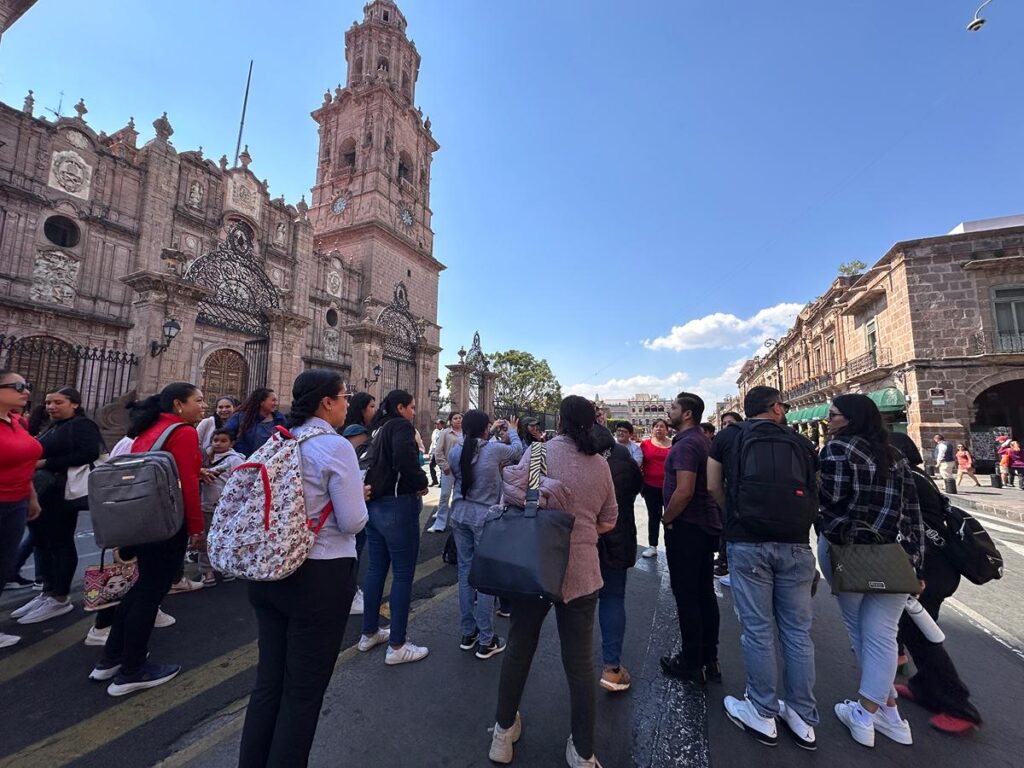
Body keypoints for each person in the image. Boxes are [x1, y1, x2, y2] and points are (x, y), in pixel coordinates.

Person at [238, 370, 368, 768]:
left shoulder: (279, 438)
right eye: (344, 397)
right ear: (326, 402)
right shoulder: (334, 446)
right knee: (302, 695)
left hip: (270, 570)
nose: (348, 403)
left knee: (268, 687)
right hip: (319, 576)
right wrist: (361, 494)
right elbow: (351, 522)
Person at [488, 396, 617, 767]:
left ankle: (502, 732)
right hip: (581, 572)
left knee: (518, 650)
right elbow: (609, 520)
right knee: (579, 664)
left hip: (535, 566)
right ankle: (583, 750)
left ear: (559, 421)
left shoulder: (539, 454)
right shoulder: (600, 466)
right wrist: (580, 528)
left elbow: (519, 504)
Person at [708, 386, 820, 750]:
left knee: (757, 630)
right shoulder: (801, 442)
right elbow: (814, 489)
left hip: (748, 540)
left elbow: (713, 486)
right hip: (796, 542)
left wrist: (734, 515)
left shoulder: (727, 437)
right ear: (775, 408)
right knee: (798, 632)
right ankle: (802, 715)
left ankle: (761, 710)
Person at [818, 394, 925, 748]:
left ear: (848, 419)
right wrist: (915, 561)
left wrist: (830, 530)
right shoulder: (894, 454)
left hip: (850, 552)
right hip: (894, 556)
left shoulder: (837, 450)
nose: (828, 421)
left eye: (832, 416)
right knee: (882, 636)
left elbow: (829, 501)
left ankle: (865, 714)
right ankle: (890, 714)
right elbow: (913, 512)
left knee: (860, 632)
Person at [89, 382, 205, 696]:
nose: (203, 405)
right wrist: (196, 527)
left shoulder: (150, 430)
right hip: (168, 524)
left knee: (140, 587)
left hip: (143, 520)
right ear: (179, 405)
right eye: (198, 400)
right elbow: (187, 485)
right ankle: (132, 670)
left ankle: (111, 658)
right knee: (150, 594)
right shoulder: (183, 432)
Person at [888, 432, 982, 735]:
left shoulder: (909, 480)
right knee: (914, 633)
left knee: (923, 638)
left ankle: (959, 707)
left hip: (930, 567)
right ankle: (924, 687)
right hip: (935, 564)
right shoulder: (917, 476)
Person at [12, 387, 103, 625]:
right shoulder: (53, 426)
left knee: (60, 542)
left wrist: (45, 463)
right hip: (43, 492)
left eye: (58, 402)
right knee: (43, 542)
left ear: (74, 404)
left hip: (62, 493)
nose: (51, 407)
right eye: (49, 402)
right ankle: (47, 591)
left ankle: (60, 597)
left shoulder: (82, 425)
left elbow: (89, 452)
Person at [360, 389, 430, 665]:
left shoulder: (376, 428)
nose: (414, 411)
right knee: (402, 574)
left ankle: (369, 632)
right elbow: (405, 459)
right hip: (398, 505)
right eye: (411, 407)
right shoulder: (400, 426)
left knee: (376, 569)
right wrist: (421, 482)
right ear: (401, 408)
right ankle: (398, 644)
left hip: (374, 505)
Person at [449, 411, 522, 659]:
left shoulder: (457, 451)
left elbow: (473, 448)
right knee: (485, 577)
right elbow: (518, 450)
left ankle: (468, 633)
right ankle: (486, 638)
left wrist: (488, 432)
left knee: (464, 573)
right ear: (485, 429)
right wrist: (511, 429)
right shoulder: (494, 450)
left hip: (459, 514)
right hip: (484, 518)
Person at [660, 393, 722, 685]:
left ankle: (690, 660)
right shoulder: (702, 440)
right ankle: (709, 657)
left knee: (687, 596)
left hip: (687, 528)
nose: (668, 411)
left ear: (686, 414)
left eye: (673, 408)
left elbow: (683, 490)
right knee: (704, 593)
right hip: (704, 526)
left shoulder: (686, 445)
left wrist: (667, 517)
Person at [594, 422, 643, 693]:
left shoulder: (574, 459)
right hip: (616, 535)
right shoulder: (624, 458)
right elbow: (636, 489)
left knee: (576, 605)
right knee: (612, 597)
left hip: (580, 540)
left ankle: (575, 667)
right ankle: (611, 668)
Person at [0, 371, 42, 649]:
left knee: (3, 564)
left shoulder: (18, 422)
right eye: (17, 387)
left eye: (25, 386)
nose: (25, 391)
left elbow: (24, 463)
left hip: (16, 502)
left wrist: (32, 497)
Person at [198, 429, 245, 585]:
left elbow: (242, 480)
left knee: (224, 538)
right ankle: (207, 570)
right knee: (205, 539)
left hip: (226, 508)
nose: (218, 443)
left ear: (231, 443)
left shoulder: (234, 460)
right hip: (206, 505)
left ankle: (224, 566)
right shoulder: (205, 457)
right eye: (215, 440)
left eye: (223, 440)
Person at [714, 412, 743, 581]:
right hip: (727, 494)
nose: (727, 427)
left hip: (740, 495)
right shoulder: (722, 444)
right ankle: (724, 560)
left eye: (730, 423)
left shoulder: (744, 442)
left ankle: (729, 564)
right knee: (725, 529)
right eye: (724, 423)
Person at [639, 418, 671, 558]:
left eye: (662, 426)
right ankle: (653, 545)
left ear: (667, 429)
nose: (659, 429)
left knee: (671, 517)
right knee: (653, 516)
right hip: (651, 487)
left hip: (670, 487)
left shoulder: (674, 444)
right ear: (652, 429)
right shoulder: (645, 444)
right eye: (656, 426)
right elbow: (639, 464)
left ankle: (671, 544)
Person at [225, 388, 286, 458]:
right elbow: (226, 434)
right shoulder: (241, 417)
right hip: (244, 461)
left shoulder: (279, 419)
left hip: (270, 462)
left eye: (276, 401)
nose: (276, 404)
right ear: (261, 402)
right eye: (273, 400)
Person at [429, 412, 463, 533]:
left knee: (459, 497)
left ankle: (456, 522)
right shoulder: (445, 433)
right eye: (455, 418)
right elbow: (438, 451)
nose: (458, 420)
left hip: (462, 470)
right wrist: (444, 466)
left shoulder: (466, 433)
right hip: (449, 470)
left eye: (460, 418)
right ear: (450, 421)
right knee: (445, 496)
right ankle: (440, 523)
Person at [428, 418, 445, 486]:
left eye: (438, 424)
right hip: (435, 451)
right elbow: (433, 442)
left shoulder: (445, 432)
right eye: (436, 424)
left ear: (442, 425)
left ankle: (442, 482)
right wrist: (430, 451)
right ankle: (434, 480)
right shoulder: (435, 431)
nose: (437, 425)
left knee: (441, 467)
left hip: (441, 452)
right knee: (431, 465)